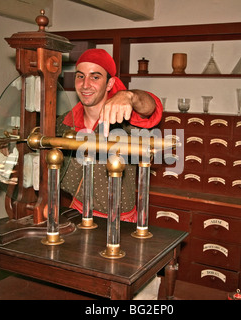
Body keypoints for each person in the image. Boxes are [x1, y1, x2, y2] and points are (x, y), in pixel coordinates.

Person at [56, 48, 163, 222]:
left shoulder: (126, 119)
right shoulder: (64, 123)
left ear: (110, 84)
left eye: (95, 77)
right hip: (77, 214)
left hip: (121, 221)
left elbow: (151, 107)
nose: (85, 84)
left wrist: (129, 96)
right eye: (80, 76)